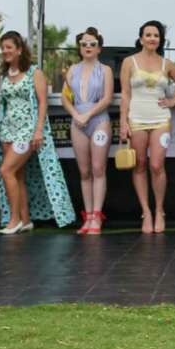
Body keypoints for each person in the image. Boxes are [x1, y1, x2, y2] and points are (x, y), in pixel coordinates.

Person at [0, 31, 75, 233]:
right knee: (16, 175)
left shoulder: (34, 72)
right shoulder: (3, 74)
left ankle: (14, 220)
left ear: (19, 50)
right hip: (7, 130)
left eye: (9, 47)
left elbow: (43, 102)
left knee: (6, 171)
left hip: (26, 130)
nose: (5, 51)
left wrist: (38, 131)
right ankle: (25, 220)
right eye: (3, 48)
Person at [119, 21, 175, 234]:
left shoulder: (167, 63)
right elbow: (125, 94)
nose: (151, 38)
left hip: (160, 119)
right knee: (139, 164)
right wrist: (123, 121)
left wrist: (173, 101)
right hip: (136, 119)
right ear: (141, 38)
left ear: (160, 39)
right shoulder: (129, 62)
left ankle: (159, 210)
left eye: (155, 35)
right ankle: (146, 212)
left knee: (157, 165)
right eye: (148, 35)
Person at [63, 27, 115, 235]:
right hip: (78, 122)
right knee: (84, 172)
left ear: (99, 48)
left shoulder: (105, 70)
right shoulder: (72, 70)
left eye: (92, 44)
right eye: (84, 43)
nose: (88, 47)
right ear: (79, 47)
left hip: (98, 120)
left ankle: (97, 215)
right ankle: (88, 216)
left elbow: (107, 98)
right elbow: (65, 98)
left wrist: (87, 115)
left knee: (97, 168)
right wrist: (76, 114)